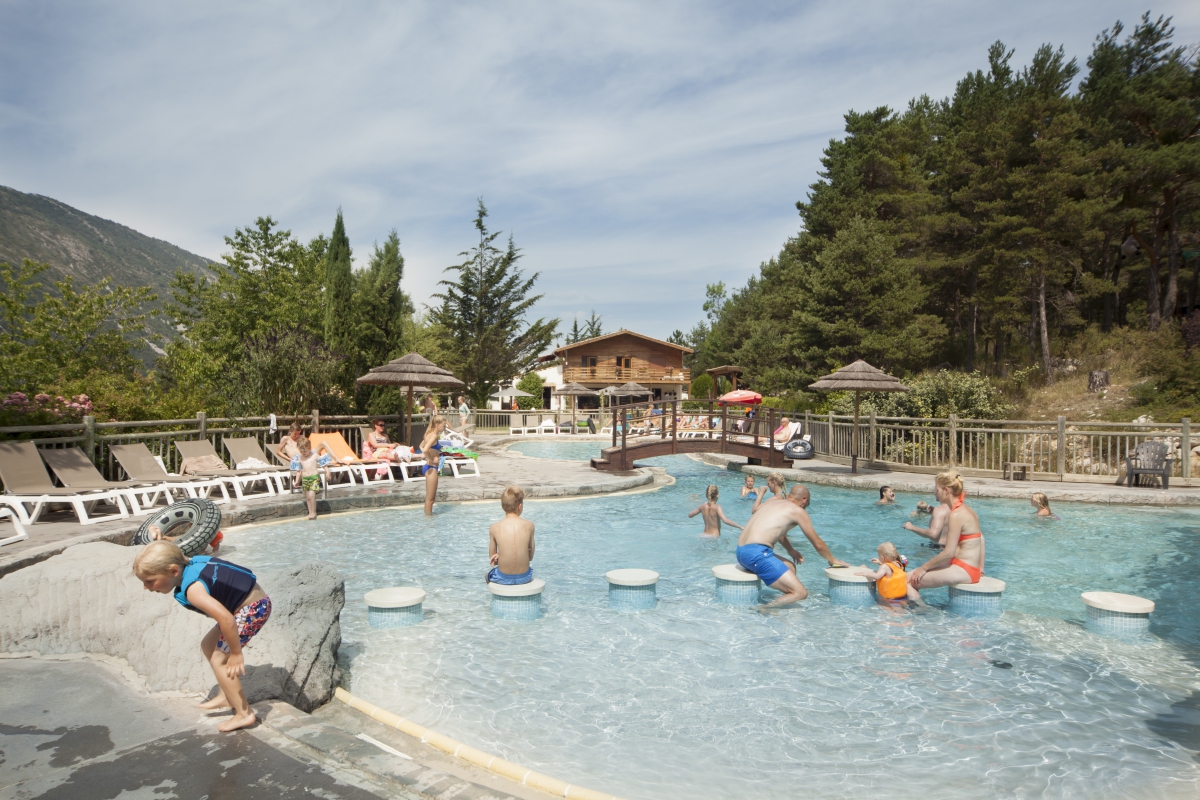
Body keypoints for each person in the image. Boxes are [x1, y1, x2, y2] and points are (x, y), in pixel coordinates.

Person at [134, 540, 271, 732]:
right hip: (246, 606)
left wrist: (236, 653)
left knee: (219, 660)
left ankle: (244, 714)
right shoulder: (191, 564)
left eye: (150, 581)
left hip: (252, 609)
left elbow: (227, 620)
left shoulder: (193, 591)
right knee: (208, 644)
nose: (146, 587)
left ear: (174, 571)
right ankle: (227, 695)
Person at [736, 485, 847, 606]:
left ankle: (786, 597)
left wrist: (791, 551)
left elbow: (780, 534)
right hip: (756, 554)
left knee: (790, 567)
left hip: (741, 551)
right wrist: (832, 560)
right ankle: (765, 608)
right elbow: (818, 544)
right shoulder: (798, 511)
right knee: (801, 593)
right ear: (804, 500)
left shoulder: (773, 502)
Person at [908, 471, 985, 589]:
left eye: (937, 490)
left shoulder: (955, 514)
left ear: (947, 490)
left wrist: (923, 568)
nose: (935, 493)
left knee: (906, 581)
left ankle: (922, 608)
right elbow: (981, 538)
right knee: (908, 576)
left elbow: (948, 553)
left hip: (963, 569)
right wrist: (981, 568)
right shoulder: (968, 510)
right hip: (970, 569)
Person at [487, 486, 535, 584]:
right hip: (524, 577)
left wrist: (499, 555)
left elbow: (492, 560)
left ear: (503, 506)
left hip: (503, 577)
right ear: (520, 506)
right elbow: (530, 557)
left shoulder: (494, 528)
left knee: (488, 576)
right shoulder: (529, 525)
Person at [855, 542, 925, 608]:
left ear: (882, 558)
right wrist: (880, 563)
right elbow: (891, 570)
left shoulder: (884, 567)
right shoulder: (898, 564)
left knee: (882, 608)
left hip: (889, 599)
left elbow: (877, 576)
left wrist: (864, 573)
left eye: (879, 556)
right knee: (901, 611)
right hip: (902, 597)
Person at [291, 436, 332, 520]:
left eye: (305, 451)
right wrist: (297, 481)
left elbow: (323, 464)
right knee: (308, 497)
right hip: (305, 479)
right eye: (301, 451)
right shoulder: (300, 458)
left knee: (312, 495)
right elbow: (298, 471)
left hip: (314, 478)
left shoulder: (315, 455)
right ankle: (310, 512)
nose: (303, 453)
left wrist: (327, 471)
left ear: (310, 448)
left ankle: (314, 512)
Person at [419, 415, 448, 515]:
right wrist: (431, 458)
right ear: (437, 425)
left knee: (429, 499)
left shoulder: (429, 434)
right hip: (432, 467)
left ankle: (428, 518)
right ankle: (429, 521)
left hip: (428, 467)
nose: (445, 428)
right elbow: (426, 449)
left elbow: (421, 446)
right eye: (444, 426)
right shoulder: (434, 436)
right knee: (430, 500)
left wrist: (427, 455)